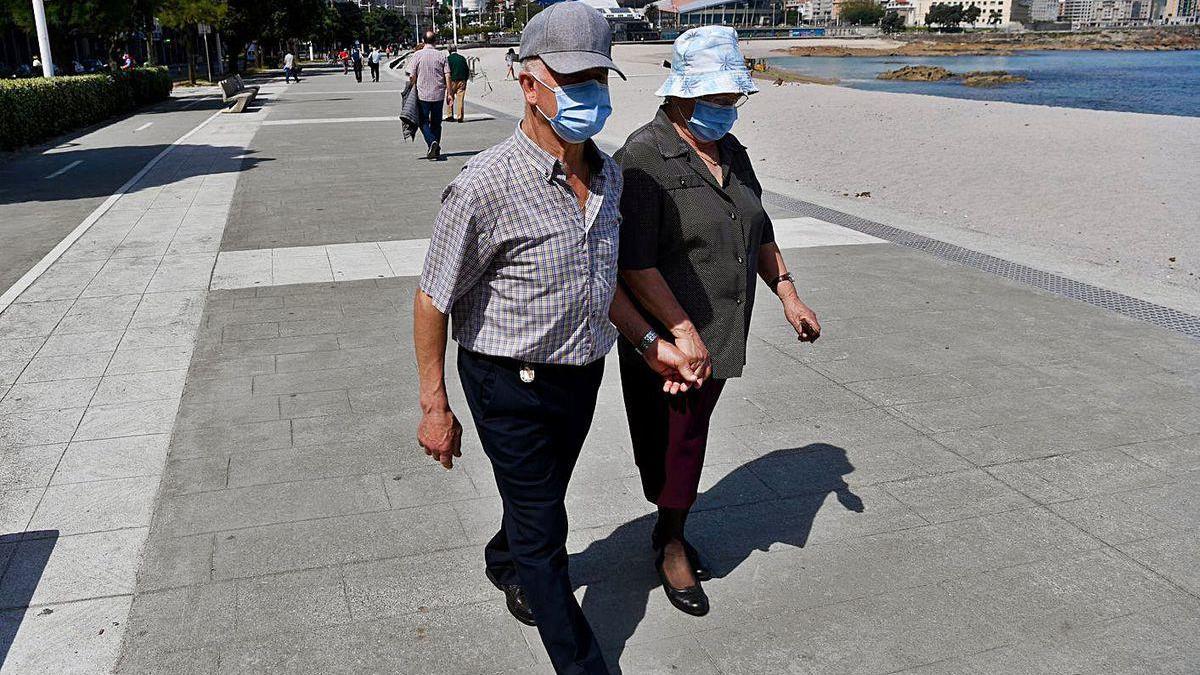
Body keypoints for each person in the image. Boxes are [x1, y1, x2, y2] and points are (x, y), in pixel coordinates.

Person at [413, 4, 698, 672]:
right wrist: (434, 403)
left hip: (581, 373)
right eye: (571, 79)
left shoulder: (609, 175)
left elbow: (604, 288)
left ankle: (502, 554)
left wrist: (652, 342)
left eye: (597, 78)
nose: (588, 95)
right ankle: (582, 660)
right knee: (547, 532)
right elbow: (432, 299)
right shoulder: (482, 186)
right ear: (527, 83)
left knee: (537, 499)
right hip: (507, 381)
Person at [614, 26, 822, 618]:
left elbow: (758, 226)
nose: (728, 110)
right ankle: (670, 538)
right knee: (673, 444)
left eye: (733, 99)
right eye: (718, 98)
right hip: (668, 339)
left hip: (725, 330)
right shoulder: (642, 158)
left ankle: (669, 524)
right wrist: (679, 332)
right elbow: (635, 263)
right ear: (681, 95)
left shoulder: (733, 153)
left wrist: (789, 295)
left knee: (688, 441)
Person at [407, 32, 450, 160]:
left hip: (422, 94)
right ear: (435, 41)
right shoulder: (442, 55)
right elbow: (447, 75)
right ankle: (435, 148)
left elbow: (412, 76)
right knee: (437, 122)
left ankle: (432, 142)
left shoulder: (417, 55)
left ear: (423, 40)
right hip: (439, 94)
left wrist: (411, 86)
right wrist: (450, 94)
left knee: (423, 121)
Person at [444, 45, 469, 123]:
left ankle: (450, 115)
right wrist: (465, 79)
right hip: (462, 80)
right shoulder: (462, 58)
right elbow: (467, 70)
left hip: (452, 81)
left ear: (449, 51)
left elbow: (446, 71)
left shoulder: (448, 59)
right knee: (460, 99)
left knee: (450, 97)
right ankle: (460, 116)